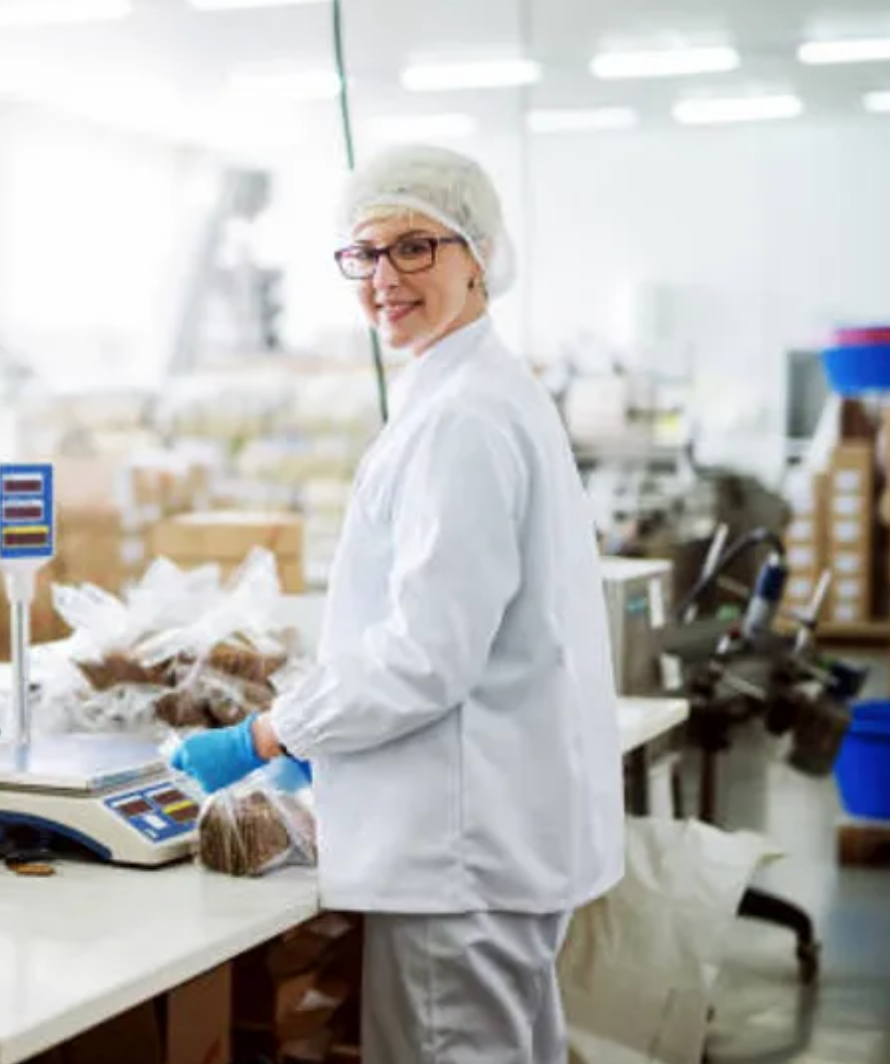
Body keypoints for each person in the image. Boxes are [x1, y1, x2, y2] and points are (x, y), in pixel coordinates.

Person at [170, 145, 624, 1063]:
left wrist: (270, 735)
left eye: (414, 246)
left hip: (457, 851)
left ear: (478, 256)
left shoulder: (462, 418)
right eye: (364, 254)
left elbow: (425, 656)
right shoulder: (470, 391)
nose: (384, 277)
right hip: (490, 838)